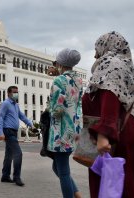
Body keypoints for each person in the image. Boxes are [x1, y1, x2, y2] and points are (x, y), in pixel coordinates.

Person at [82, 31, 134, 197]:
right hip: (125, 130)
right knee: (131, 180)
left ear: (107, 46)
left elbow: (110, 93)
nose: (94, 55)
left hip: (115, 133)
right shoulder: (125, 65)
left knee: (113, 185)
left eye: (97, 49)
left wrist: (104, 133)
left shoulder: (111, 63)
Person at [48, 48, 83, 198]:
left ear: (60, 63)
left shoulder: (58, 81)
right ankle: (78, 195)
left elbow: (57, 109)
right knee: (58, 167)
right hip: (73, 128)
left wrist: (49, 107)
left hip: (60, 131)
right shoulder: (79, 81)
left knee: (62, 171)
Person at [0, 85, 33, 186]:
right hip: (7, 131)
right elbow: (0, 118)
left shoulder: (15, 105)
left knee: (9, 155)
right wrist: (1, 133)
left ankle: (5, 176)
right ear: (8, 93)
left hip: (13, 131)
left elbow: (21, 116)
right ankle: (17, 177)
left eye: (17, 92)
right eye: (14, 92)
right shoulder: (5, 104)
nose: (16, 94)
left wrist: (30, 123)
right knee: (18, 153)